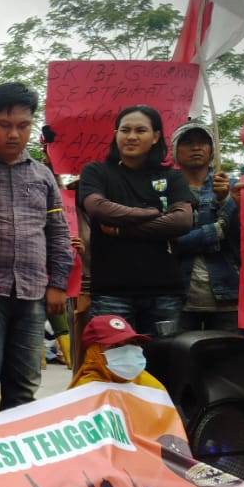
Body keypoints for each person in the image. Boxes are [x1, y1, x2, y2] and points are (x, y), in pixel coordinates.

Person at [0, 83, 73, 414]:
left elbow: (57, 232)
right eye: (5, 125)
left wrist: (58, 284)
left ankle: (13, 455)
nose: (14, 134)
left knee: (24, 386)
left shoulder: (43, 176)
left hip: (33, 293)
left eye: (23, 126)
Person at [79, 106, 193, 334]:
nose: (131, 136)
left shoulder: (172, 177)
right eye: (125, 130)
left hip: (165, 293)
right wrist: (150, 214)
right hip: (111, 293)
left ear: (156, 136)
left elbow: (182, 221)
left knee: (165, 365)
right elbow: (98, 208)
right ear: (116, 133)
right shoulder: (96, 172)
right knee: (115, 366)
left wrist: (122, 231)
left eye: (140, 130)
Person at [170, 122, 241, 332]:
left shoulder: (232, 187)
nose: (196, 147)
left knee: (228, 362)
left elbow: (243, 240)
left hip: (228, 297)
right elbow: (169, 241)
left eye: (203, 142)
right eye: (188, 142)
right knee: (179, 362)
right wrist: (218, 229)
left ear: (211, 149)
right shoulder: (164, 190)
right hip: (178, 298)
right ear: (175, 150)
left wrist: (226, 201)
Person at [69, 314, 165, 391]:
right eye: (115, 345)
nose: (128, 351)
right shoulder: (84, 393)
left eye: (132, 343)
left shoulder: (150, 386)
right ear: (93, 353)